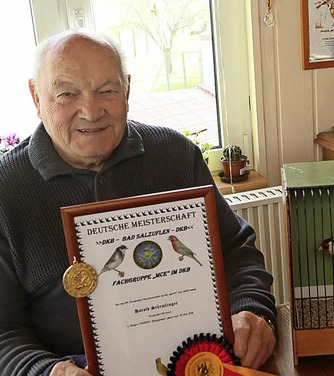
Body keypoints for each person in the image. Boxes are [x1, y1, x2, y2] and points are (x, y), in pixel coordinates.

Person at [0, 29, 276, 375]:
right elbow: (3, 332)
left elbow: (235, 250)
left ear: (127, 90)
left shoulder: (175, 154)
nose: (90, 110)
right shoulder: (5, 191)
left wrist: (253, 309)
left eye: (107, 91)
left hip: (200, 363)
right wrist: (47, 371)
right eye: (67, 93)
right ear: (36, 97)